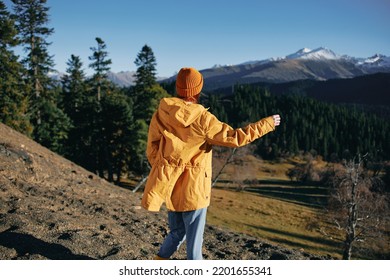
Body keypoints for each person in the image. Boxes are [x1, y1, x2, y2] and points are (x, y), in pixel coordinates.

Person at [141, 67, 281, 260]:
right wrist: (267, 124)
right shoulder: (203, 119)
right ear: (198, 90)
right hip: (194, 190)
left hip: (170, 186)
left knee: (176, 233)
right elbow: (235, 138)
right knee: (194, 247)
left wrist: (166, 170)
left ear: (178, 88)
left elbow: (152, 149)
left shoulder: (161, 113)